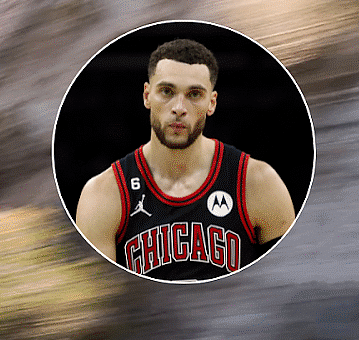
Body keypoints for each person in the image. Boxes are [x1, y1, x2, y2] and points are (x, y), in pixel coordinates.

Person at [75, 38, 296, 280]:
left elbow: (287, 284)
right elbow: (104, 304)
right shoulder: (104, 193)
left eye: (194, 94)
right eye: (167, 91)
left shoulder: (257, 181)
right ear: (147, 96)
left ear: (211, 103)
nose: (179, 107)